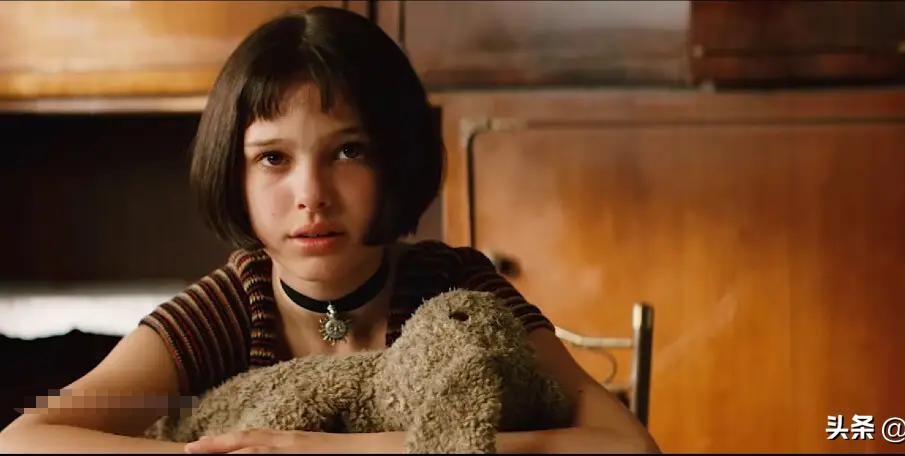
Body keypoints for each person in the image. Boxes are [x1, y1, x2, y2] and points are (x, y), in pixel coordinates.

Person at [0, 6, 659, 453]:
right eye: (272, 159)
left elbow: (627, 446)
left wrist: (338, 451)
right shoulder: (233, 305)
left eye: (348, 151)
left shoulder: (455, 289)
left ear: (396, 159)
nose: (311, 195)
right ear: (233, 173)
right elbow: (24, 440)